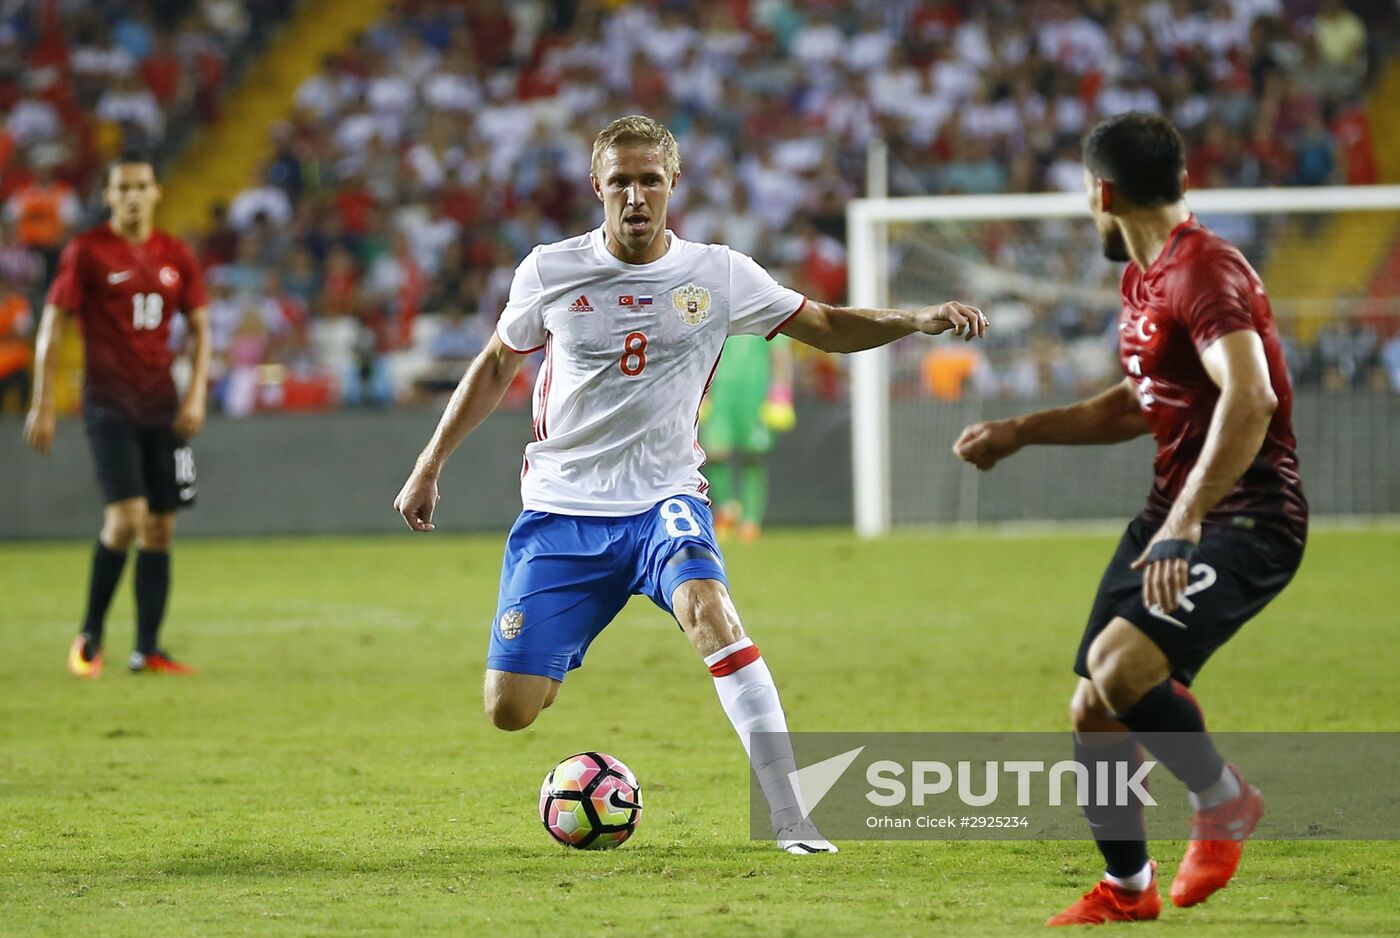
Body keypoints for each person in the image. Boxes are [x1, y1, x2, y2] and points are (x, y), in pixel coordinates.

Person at [394, 115, 986, 853]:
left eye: (649, 180)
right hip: (563, 511)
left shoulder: (718, 274)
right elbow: (494, 364)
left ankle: (790, 814)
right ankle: (559, 654)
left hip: (663, 501)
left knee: (711, 610)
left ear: (674, 183)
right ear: (596, 187)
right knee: (511, 709)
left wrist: (915, 318)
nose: (635, 196)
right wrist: (429, 463)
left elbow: (828, 325)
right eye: (620, 182)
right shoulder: (549, 270)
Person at [953, 112, 1307, 926]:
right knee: (1094, 709)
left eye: (1085, 192)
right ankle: (1128, 889)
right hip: (1174, 513)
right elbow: (1141, 401)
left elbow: (1250, 396)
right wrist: (1021, 431)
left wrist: (1185, 521)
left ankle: (1225, 803)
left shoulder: (1205, 271)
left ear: (1102, 191)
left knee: (1121, 669)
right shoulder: (1145, 275)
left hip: (1246, 516)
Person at [24, 155, 212, 678]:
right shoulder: (87, 252)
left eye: (142, 186)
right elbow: (52, 325)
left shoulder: (176, 254)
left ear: (156, 192)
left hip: (162, 407)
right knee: (126, 518)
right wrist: (43, 402)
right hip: (108, 404)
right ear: (108, 196)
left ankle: (147, 649)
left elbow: (201, 326)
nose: (133, 195)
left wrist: (195, 394)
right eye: (123, 187)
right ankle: (90, 635)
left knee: (160, 526)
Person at [700, 332, 796, 541]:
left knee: (754, 454)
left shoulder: (764, 311)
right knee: (715, 452)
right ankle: (727, 506)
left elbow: (780, 353)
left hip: (756, 393)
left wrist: (781, 391)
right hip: (722, 393)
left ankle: (751, 520)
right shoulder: (722, 312)